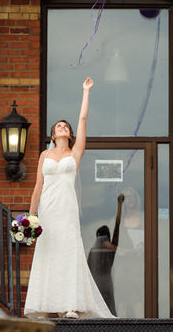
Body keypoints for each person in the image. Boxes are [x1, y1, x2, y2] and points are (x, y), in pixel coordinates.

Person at [23, 76, 114, 319]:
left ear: (70, 134)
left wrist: (86, 92)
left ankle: (70, 305)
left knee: (67, 252)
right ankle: (47, 305)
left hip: (66, 209)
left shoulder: (75, 153)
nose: (63, 128)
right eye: (58, 126)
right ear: (53, 135)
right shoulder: (44, 154)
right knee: (48, 254)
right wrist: (31, 217)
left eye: (66, 126)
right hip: (48, 210)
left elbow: (83, 119)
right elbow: (37, 186)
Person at [87, 192, 124, 315]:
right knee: (109, 309)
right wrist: (120, 205)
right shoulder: (111, 249)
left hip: (95, 283)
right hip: (107, 282)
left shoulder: (93, 251)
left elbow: (87, 269)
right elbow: (117, 226)